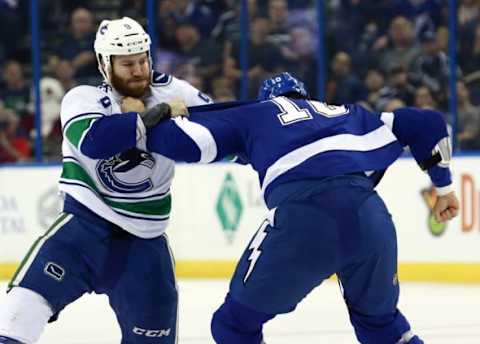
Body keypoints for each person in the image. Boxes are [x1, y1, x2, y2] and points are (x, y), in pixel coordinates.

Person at [144, 72, 459, 343]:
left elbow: (183, 143)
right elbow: (428, 122)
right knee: (382, 327)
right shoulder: (345, 113)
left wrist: (143, 123)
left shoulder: (255, 113)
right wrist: (443, 187)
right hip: (370, 216)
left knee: (232, 325)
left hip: (305, 217)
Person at [0, 17, 211, 344]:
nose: (139, 70)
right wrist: (156, 116)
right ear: (103, 64)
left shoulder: (176, 91)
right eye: (127, 64)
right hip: (81, 232)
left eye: (143, 60)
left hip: (146, 246)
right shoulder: (82, 98)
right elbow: (95, 142)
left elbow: (225, 129)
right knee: (16, 314)